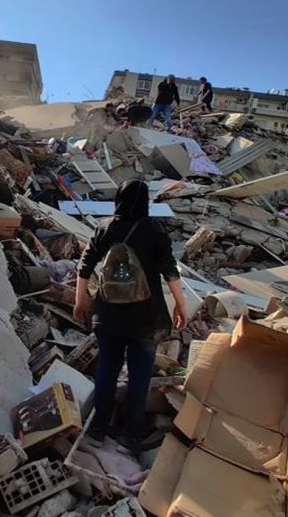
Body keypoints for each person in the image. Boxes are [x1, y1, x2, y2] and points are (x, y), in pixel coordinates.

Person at [74, 180, 187, 453]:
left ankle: (98, 429)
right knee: (139, 378)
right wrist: (180, 304)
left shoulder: (105, 227)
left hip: (108, 315)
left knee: (106, 371)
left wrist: (80, 300)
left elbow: (85, 266)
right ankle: (130, 437)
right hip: (146, 318)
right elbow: (170, 270)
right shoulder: (154, 230)